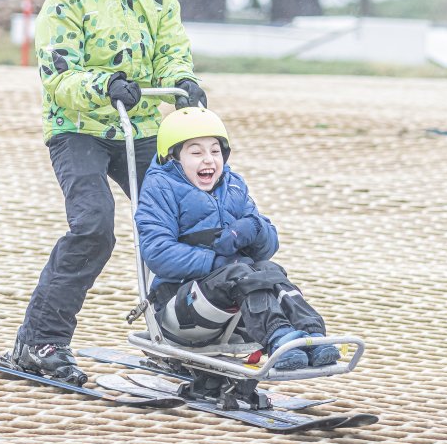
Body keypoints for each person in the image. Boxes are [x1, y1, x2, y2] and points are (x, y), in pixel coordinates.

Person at [0, 0, 207, 384]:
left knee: (181, 221)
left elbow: (172, 48)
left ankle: (183, 333)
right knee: (94, 227)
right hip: (79, 129)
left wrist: (183, 82)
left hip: (138, 128)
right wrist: (103, 85)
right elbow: (58, 74)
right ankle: (40, 341)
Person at [134, 108, 340, 371]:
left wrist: (254, 227)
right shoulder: (160, 187)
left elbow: (267, 248)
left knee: (269, 270)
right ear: (173, 157)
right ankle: (279, 338)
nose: (208, 160)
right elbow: (158, 252)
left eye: (215, 151)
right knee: (239, 272)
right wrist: (215, 260)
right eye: (196, 153)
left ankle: (311, 335)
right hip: (180, 306)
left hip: (233, 309)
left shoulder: (232, 185)